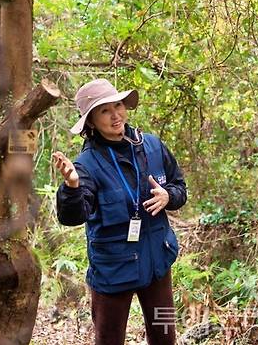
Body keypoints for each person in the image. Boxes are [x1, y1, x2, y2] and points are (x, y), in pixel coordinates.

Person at [52, 78, 187, 345]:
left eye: (118, 105)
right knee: (110, 340)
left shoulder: (152, 146)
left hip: (157, 265)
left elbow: (180, 188)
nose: (116, 115)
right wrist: (72, 186)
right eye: (104, 110)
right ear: (90, 122)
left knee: (164, 337)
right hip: (113, 273)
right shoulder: (87, 164)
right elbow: (72, 216)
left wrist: (168, 195)